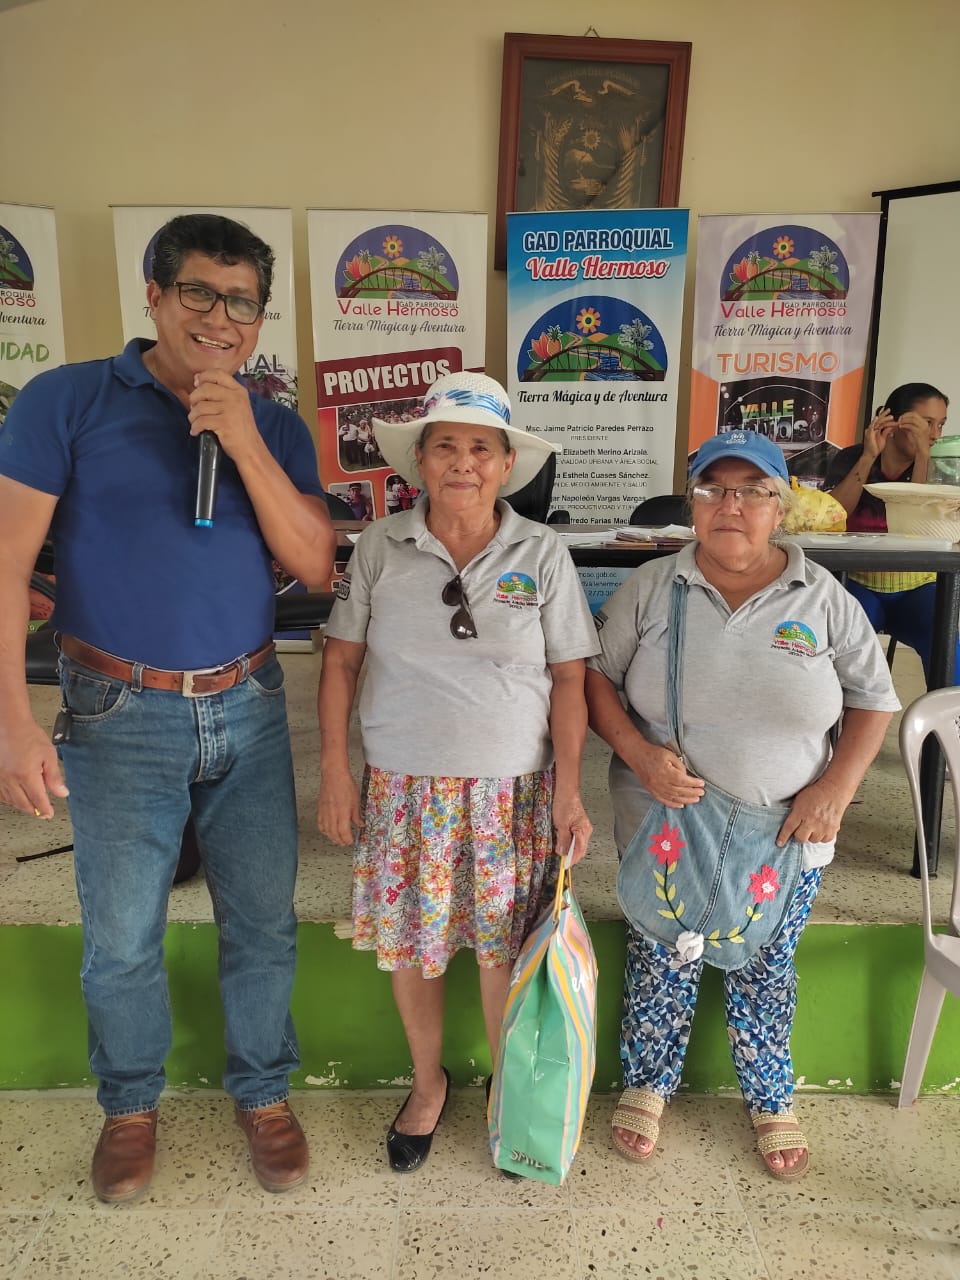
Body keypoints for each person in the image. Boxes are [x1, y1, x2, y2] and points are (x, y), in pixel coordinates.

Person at [0, 214, 337, 1203]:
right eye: (198, 293)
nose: (220, 319)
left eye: (242, 303)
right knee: (120, 936)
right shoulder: (66, 400)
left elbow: (316, 564)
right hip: (116, 710)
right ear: (153, 294)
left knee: (263, 923)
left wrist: (244, 438)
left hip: (251, 703)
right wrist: (12, 721)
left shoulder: (274, 424)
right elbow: (7, 564)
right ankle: (130, 1106)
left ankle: (263, 1092)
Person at [585, 429, 898, 1180]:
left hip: (786, 832)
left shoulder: (823, 598)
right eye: (713, 490)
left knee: (766, 962)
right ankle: (648, 1083)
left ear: (779, 508)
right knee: (662, 955)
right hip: (666, 822)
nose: (732, 506)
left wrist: (835, 790)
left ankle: (769, 1095)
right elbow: (592, 680)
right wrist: (638, 755)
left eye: (752, 491)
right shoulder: (652, 588)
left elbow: (874, 701)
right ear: (692, 505)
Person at [316, 371, 598, 1173]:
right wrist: (335, 770)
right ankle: (427, 1082)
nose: (463, 463)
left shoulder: (542, 552)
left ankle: (512, 1090)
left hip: (513, 792)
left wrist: (569, 791)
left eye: (481, 448)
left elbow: (570, 678)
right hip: (405, 790)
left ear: (506, 464)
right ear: (421, 461)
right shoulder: (380, 546)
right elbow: (340, 663)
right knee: (416, 945)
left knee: (503, 950)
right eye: (445, 446)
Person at [824, 382, 953, 685]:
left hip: (917, 585)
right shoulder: (852, 458)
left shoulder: (939, 467)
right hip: (857, 581)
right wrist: (869, 456)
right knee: (841, 646)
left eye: (940, 425)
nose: (935, 435)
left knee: (949, 644)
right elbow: (832, 516)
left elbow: (920, 527)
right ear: (893, 422)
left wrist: (923, 458)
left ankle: (948, 717)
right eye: (926, 423)